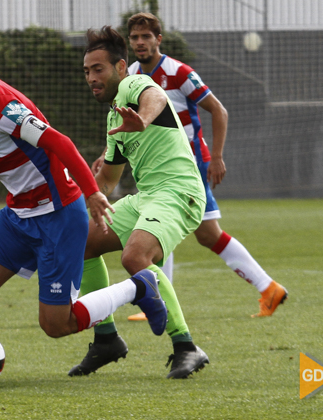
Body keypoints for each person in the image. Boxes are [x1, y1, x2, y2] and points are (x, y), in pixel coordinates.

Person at [0, 36, 170, 385]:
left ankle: (139, 287)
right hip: (19, 214)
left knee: (56, 325)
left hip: (58, 216)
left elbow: (58, 142)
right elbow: (7, 149)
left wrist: (92, 193)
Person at [105, 12, 287, 320]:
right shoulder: (132, 72)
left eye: (146, 36)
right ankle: (268, 288)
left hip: (188, 166)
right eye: (134, 37)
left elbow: (218, 110)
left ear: (158, 40)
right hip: (160, 168)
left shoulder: (178, 72)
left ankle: (159, 301)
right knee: (201, 233)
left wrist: (216, 156)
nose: (139, 42)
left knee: (168, 223)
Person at [69, 26, 210, 379]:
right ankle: (106, 340)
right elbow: (108, 182)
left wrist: (142, 120)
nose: (91, 78)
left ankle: (186, 346)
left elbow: (156, 98)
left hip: (179, 192)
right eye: (86, 72)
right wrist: (65, 193)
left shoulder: (134, 86)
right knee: (82, 244)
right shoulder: (115, 117)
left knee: (135, 257)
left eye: (98, 69)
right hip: (147, 197)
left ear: (120, 68)